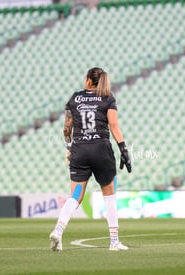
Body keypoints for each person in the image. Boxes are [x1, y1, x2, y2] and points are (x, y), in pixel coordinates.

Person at [49, 67, 132, 252]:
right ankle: (114, 241)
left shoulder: (75, 98)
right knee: (109, 195)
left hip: (80, 150)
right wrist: (123, 150)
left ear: (88, 81)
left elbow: (66, 129)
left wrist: (68, 148)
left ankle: (58, 230)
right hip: (101, 149)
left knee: (75, 196)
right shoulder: (107, 98)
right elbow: (114, 125)